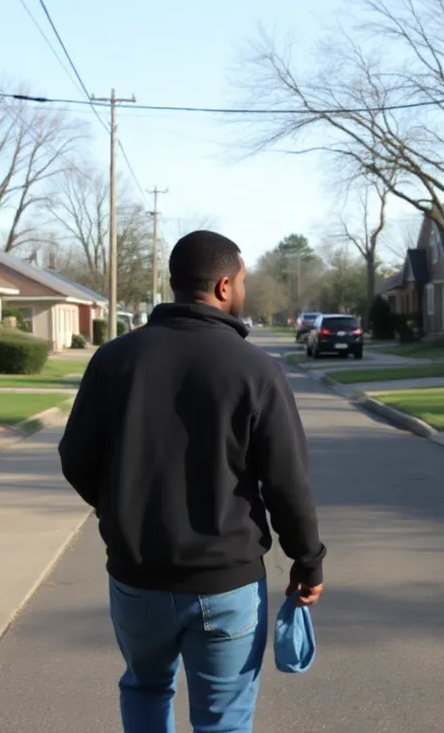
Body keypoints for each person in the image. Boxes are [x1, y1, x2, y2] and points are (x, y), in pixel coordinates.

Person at [59, 230, 326, 733]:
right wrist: (307, 561)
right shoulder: (256, 370)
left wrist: (119, 510)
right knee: (223, 721)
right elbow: (288, 483)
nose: (243, 290)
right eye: (243, 281)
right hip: (226, 583)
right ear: (224, 286)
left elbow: (75, 458)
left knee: (144, 687)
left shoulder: (114, 360)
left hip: (138, 576)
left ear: (174, 283)